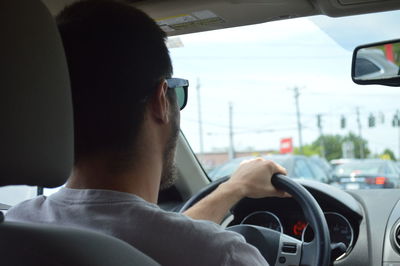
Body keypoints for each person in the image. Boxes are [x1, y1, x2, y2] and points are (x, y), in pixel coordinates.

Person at [6, 0, 288, 265]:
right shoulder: (223, 255)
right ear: (161, 100)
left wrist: (233, 189)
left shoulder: (15, 229)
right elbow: (154, 235)